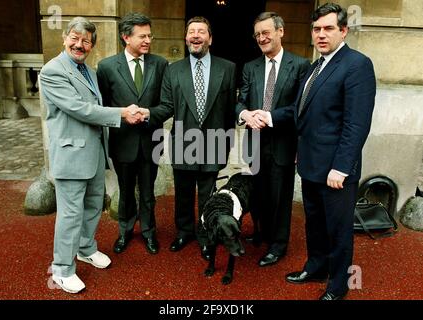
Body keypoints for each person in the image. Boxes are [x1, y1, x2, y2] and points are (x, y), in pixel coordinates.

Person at [256, 3, 376, 300]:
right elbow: (299, 111)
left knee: (338, 230)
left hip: (335, 171)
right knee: (315, 225)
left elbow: (356, 123)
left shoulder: (357, 64)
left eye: (328, 29)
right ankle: (316, 267)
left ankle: (338, 286)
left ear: (343, 31)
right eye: (317, 29)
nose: (321, 35)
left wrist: (342, 167)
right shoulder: (316, 66)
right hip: (310, 164)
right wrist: (268, 116)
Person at [40, 17, 139, 294]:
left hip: (94, 152)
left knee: (94, 204)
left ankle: (85, 248)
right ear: (64, 38)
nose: (79, 44)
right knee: (70, 213)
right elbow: (80, 109)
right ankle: (62, 269)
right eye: (75, 37)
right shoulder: (52, 71)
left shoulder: (89, 71)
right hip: (71, 156)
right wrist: (122, 113)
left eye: (86, 41)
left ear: (92, 45)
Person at [135, 16, 236, 261]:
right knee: (182, 193)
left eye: (201, 31)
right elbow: (167, 106)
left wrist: (226, 146)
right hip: (183, 142)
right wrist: (147, 113)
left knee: (207, 195)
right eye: (191, 31)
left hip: (214, 141)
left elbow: (229, 111)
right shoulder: (173, 69)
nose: (196, 35)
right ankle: (184, 232)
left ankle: (205, 235)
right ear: (186, 37)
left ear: (210, 38)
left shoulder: (228, 68)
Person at [236, 12, 310, 267]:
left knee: (279, 198)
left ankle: (278, 245)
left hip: (282, 143)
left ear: (281, 31)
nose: (261, 38)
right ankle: (261, 233)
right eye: (257, 34)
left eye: (266, 32)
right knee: (257, 195)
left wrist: (267, 117)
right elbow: (240, 101)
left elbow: (299, 107)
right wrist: (246, 114)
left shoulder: (300, 65)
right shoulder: (250, 67)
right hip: (254, 143)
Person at [97, 13, 168, 255]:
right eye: (143, 36)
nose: (148, 40)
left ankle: (149, 232)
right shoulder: (106, 67)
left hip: (151, 141)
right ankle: (125, 232)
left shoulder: (160, 64)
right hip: (123, 143)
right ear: (126, 37)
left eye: (150, 35)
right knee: (126, 191)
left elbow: (167, 105)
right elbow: (102, 107)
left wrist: (148, 113)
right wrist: (122, 114)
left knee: (148, 192)